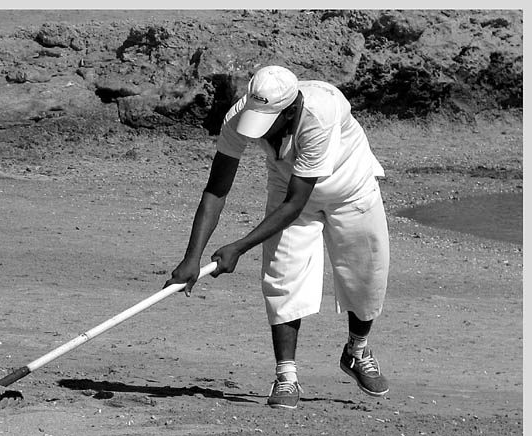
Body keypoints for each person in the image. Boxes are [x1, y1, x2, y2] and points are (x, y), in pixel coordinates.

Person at [165, 65, 390, 410]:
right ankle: (286, 376)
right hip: (288, 187)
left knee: (365, 276)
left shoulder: (320, 113)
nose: (261, 127)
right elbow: (216, 190)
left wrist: (238, 248)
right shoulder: (240, 116)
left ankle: (356, 352)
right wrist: (191, 257)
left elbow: (295, 205)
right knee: (283, 275)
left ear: (290, 110)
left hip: (350, 190)